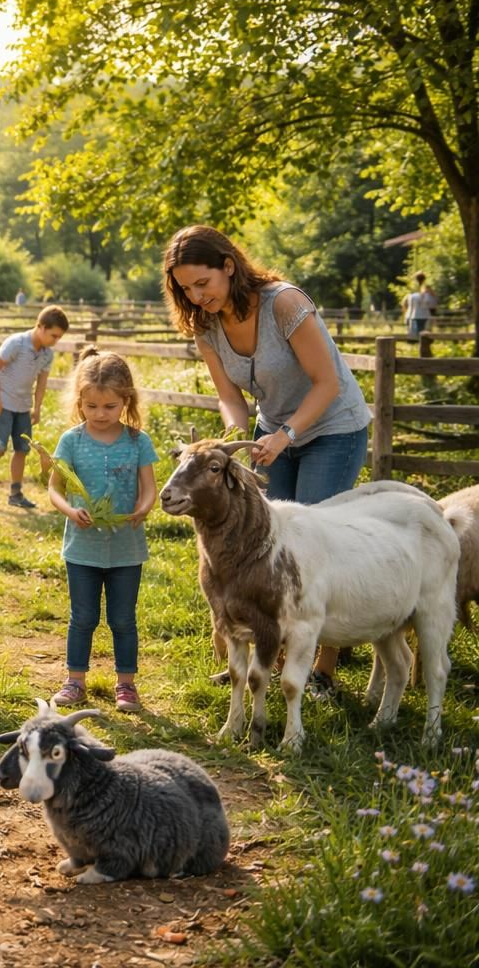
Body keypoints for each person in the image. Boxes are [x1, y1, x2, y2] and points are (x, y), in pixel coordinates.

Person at [164, 224, 371, 698]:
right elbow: (230, 398)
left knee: (316, 540)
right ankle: (269, 656)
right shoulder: (207, 326)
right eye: (185, 289)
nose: (196, 297)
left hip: (331, 427)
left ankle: (323, 669)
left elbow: (327, 383)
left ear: (228, 266)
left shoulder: (285, 304)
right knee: (265, 537)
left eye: (203, 283)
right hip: (272, 433)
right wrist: (233, 439)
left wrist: (286, 435)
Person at [45, 349, 158, 712]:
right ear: (80, 402)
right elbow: (54, 489)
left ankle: (126, 684)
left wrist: (144, 506)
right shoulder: (71, 441)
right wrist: (70, 511)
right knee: (83, 617)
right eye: (91, 406)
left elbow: (149, 487)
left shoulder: (138, 441)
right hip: (82, 548)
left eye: (109, 406)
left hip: (126, 547)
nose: (100, 414)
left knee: (123, 618)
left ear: (126, 400)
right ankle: (75, 680)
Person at [0, 305, 70, 508]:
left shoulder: (47, 354)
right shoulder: (17, 343)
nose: (55, 341)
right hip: (1, 400)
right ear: (40, 327)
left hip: (22, 404)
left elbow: (42, 382)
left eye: (59, 337)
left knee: (23, 448)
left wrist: (37, 407)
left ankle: (15, 494)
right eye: (53, 335)